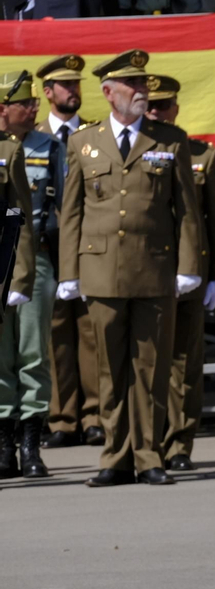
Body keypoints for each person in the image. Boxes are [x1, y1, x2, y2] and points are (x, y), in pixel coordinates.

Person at [56, 49, 203, 487]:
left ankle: (147, 455)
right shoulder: (84, 141)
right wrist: (69, 273)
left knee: (150, 368)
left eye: (143, 85)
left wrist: (189, 265)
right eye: (133, 86)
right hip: (101, 272)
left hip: (154, 270)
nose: (143, 92)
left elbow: (187, 213)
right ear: (108, 93)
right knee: (108, 369)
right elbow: (72, 212)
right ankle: (114, 456)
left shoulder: (170, 139)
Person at [143, 76, 215, 471]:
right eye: (151, 106)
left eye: (164, 106)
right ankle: (146, 444)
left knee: (184, 364)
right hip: (144, 272)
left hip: (189, 271)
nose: (156, 112)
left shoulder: (202, 156)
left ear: (176, 108)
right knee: (145, 362)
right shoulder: (129, 153)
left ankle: (179, 445)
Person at [35, 55, 100, 450]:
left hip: (89, 246)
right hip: (48, 247)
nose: (73, 91)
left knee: (92, 334)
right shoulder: (35, 137)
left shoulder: (95, 134)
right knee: (56, 335)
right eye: (65, 85)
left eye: (76, 84)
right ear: (47, 93)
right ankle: (62, 418)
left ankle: (95, 417)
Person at [0, 71, 41, 480]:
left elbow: (20, 219)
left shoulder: (9, 152)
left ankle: (30, 444)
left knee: (30, 356)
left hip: (11, 264)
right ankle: (3, 445)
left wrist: (22, 275)